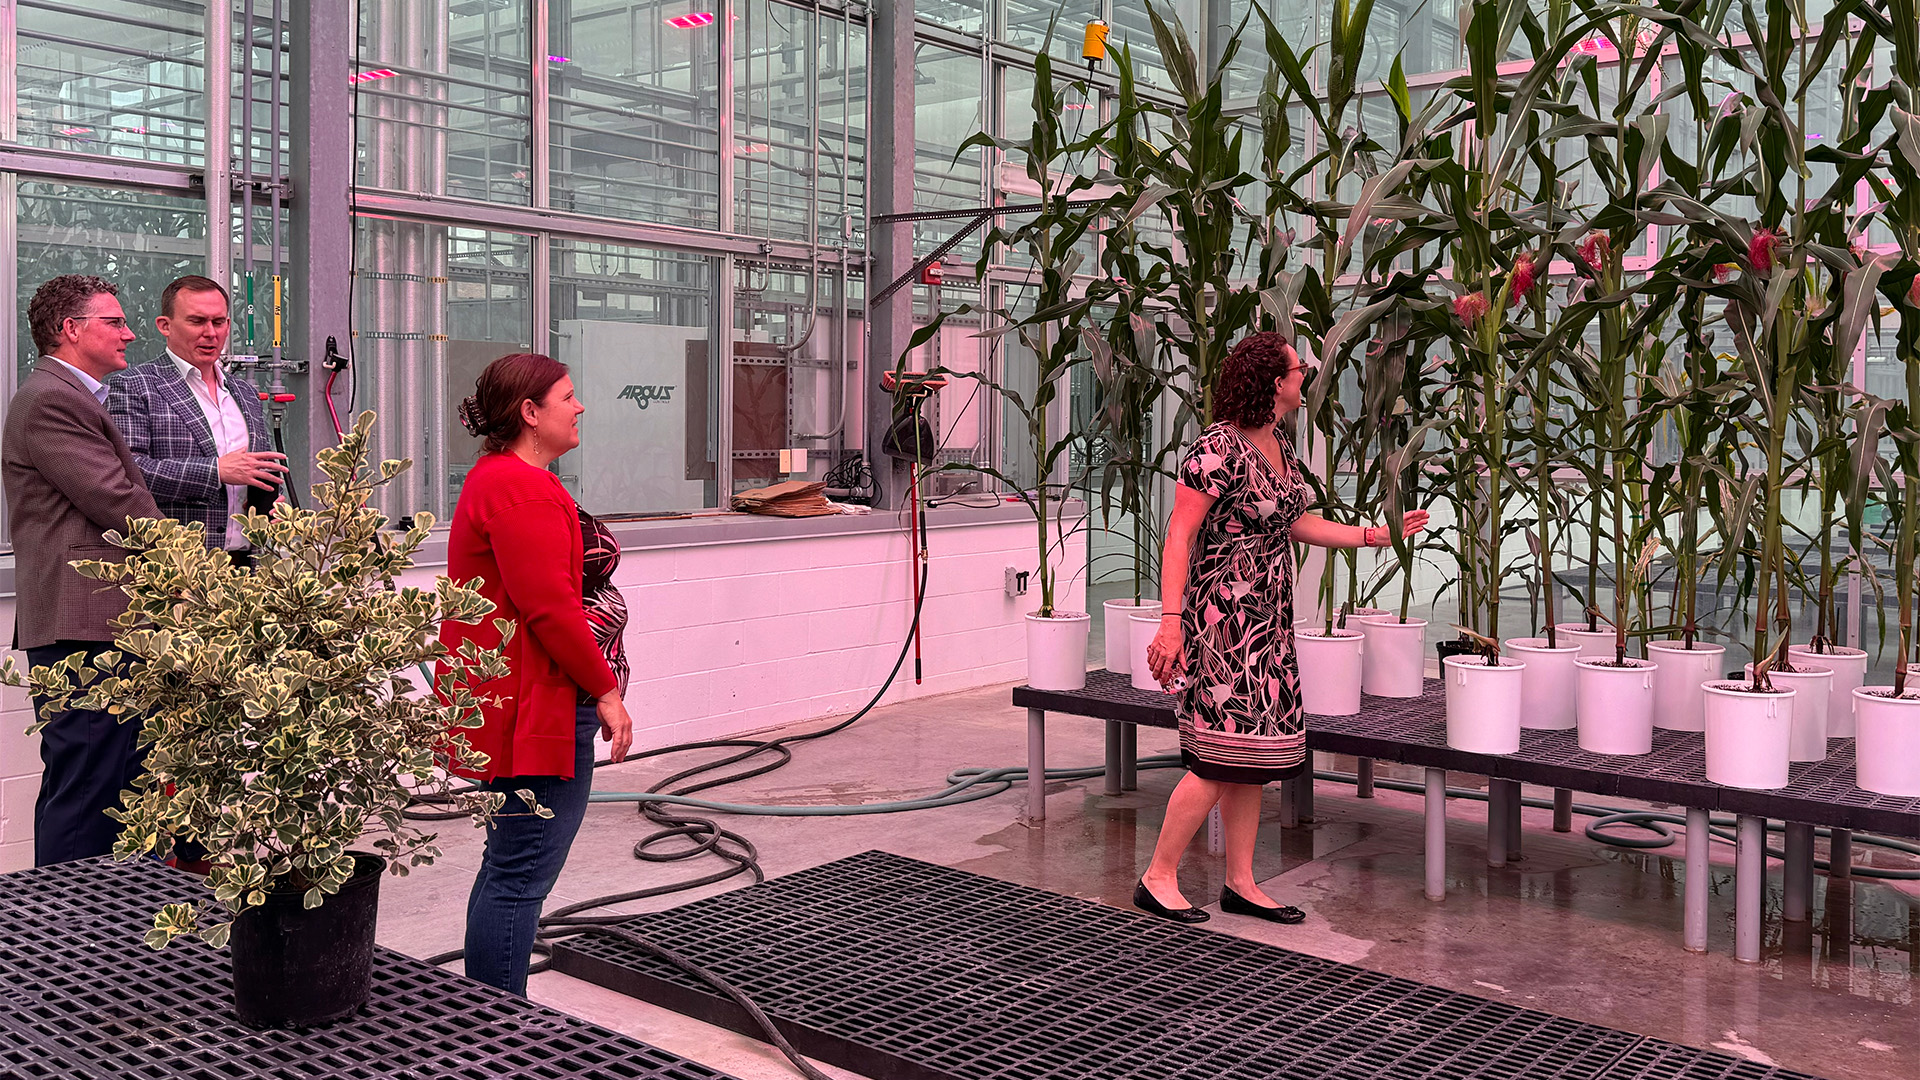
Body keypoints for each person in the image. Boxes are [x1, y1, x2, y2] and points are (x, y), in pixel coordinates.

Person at [1137, 331, 1431, 924]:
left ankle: (1240, 882)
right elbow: (1178, 537)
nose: (1306, 380)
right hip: (1223, 622)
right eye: (1300, 371)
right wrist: (1171, 625)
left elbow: (1298, 523)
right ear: (1277, 383)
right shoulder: (1215, 450)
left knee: (1253, 756)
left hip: (1268, 623)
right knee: (1217, 758)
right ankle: (1158, 876)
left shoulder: (1278, 445)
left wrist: (1374, 535)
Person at [441, 352, 635, 995]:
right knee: (521, 873)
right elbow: (549, 609)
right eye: (568, 396)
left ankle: (491, 1010)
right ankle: (500, 1025)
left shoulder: (502, 479)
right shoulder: (519, 488)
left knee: (509, 864)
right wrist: (605, 690)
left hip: (518, 699)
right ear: (530, 413)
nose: (580, 407)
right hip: (535, 707)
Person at [3, 275, 163, 865]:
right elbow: (116, 499)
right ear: (71, 330)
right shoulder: (52, 399)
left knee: (116, 786)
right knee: (88, 792)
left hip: (104, 624)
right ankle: (69, 933)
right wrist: (193, 566)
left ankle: (107, 928)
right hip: (84, 626)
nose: (130, 333)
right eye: (115, 322)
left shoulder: (74, 396)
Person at [107, 276, 287, 564]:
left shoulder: (245, 392)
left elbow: (256, 472)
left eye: (218, 322)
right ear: (165, 326)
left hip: (246, 565)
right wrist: (215, 471)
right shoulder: (135, 385)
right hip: (176, 568)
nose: (210, 333)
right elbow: (128, 472)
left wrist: (273, 507)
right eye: (197, 321)